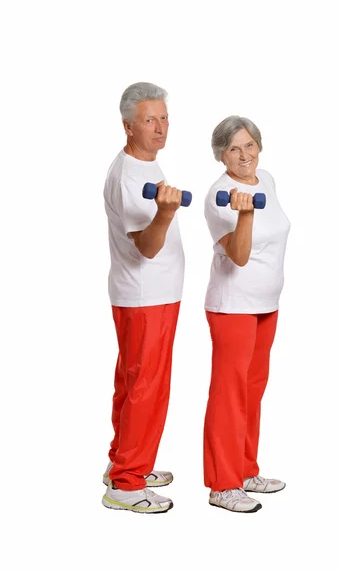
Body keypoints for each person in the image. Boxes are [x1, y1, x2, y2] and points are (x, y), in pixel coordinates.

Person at [102, 82, 185, 514]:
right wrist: (167, 212)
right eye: (149, 120)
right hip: (144, 296)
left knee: (133, 383)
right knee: (146, 389)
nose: (160, 127)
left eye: (164, 118)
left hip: (153, 295)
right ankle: (127, 484)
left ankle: (125, 461)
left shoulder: (146, 165)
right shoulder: (128, 176)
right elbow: (148, 246)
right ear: (128, 126)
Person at [203, 116, 290, 513]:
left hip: (266, 304)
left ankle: (244, 469)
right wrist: (244, 214)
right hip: (233, 306)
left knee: (253, 391)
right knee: (229, 394)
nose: (244, 155)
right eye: (234, 148)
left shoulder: (266, 180)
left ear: (259, 146)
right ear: (221, 155)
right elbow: (238, 255)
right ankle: (222, 485)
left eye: (249, 145)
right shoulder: (218, 195)